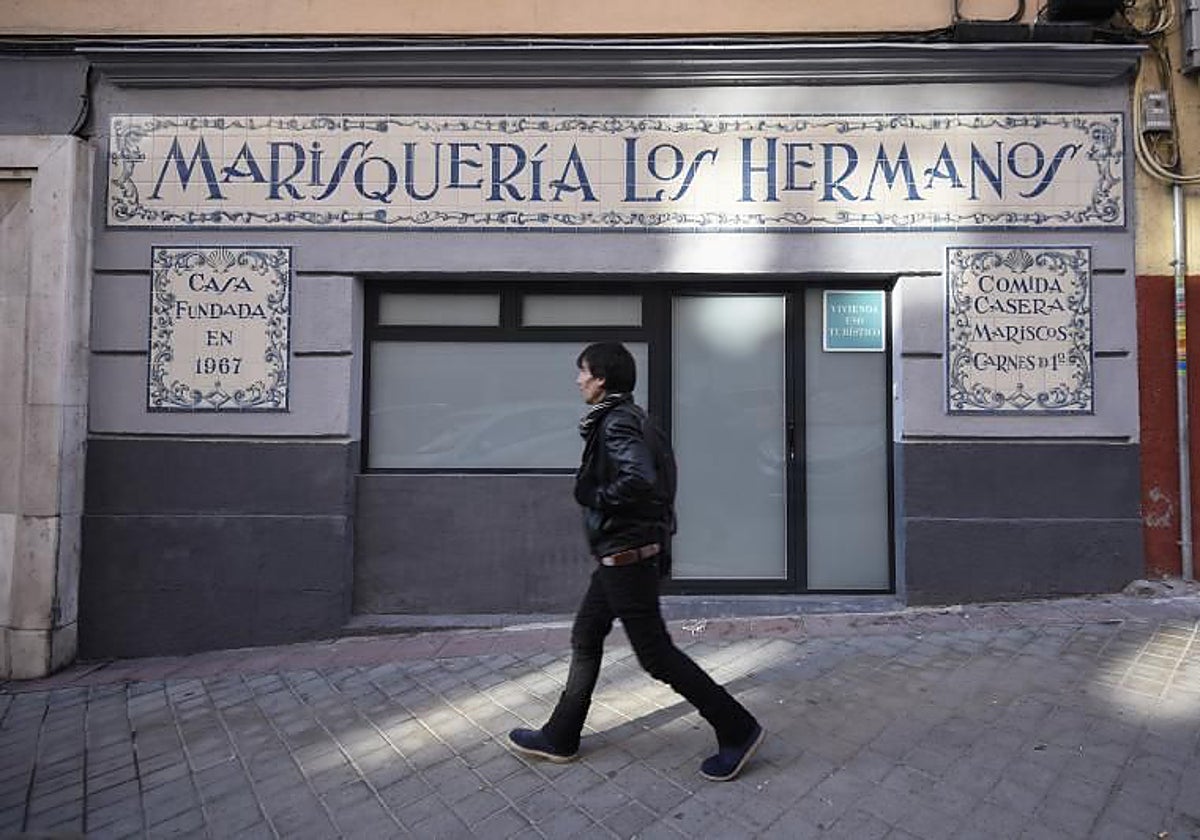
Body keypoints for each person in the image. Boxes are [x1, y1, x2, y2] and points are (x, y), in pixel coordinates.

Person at [507, 342, 764, 782]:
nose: (578, 380)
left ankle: (738, 727)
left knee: (656, 656)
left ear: (601, 377)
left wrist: (595, 498)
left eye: (582, 371)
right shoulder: (633, 418)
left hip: (626, 556)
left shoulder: (618, 423)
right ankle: (561, 735)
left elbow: (640, 480)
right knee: (587, 633)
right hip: (622, 552)